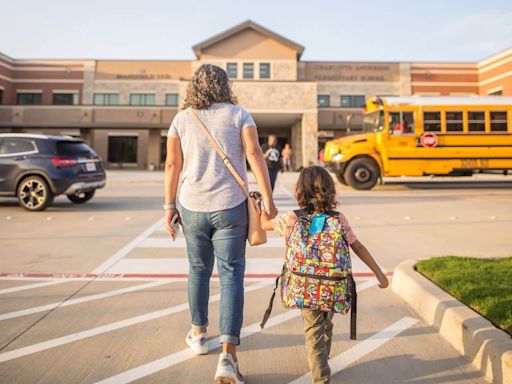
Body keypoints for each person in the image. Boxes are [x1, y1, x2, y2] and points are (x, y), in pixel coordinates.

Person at [164, 64, 277, 384]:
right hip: (231, 208)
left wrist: (168, 206)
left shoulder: (181, 119)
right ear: (224, 85)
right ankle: (228, 356)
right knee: (231, 278)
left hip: (192, 206)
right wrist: (267, 200)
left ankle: (199, 334)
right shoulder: (240, 114)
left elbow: (173, 164)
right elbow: (255, 154)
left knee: (198, 271)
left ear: (194, 86)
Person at [261, 166, 389, 384]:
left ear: (300, 191)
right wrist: (379, 273)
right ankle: (323, 357)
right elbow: (357, 246)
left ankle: (321, 378)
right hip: (333, 286)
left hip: (304, 287)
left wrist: (261, 208)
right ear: (329, 190)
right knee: (326, 323)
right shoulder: (339, 219)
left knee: (313, 332)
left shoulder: (292, 218)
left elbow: (263, 225)